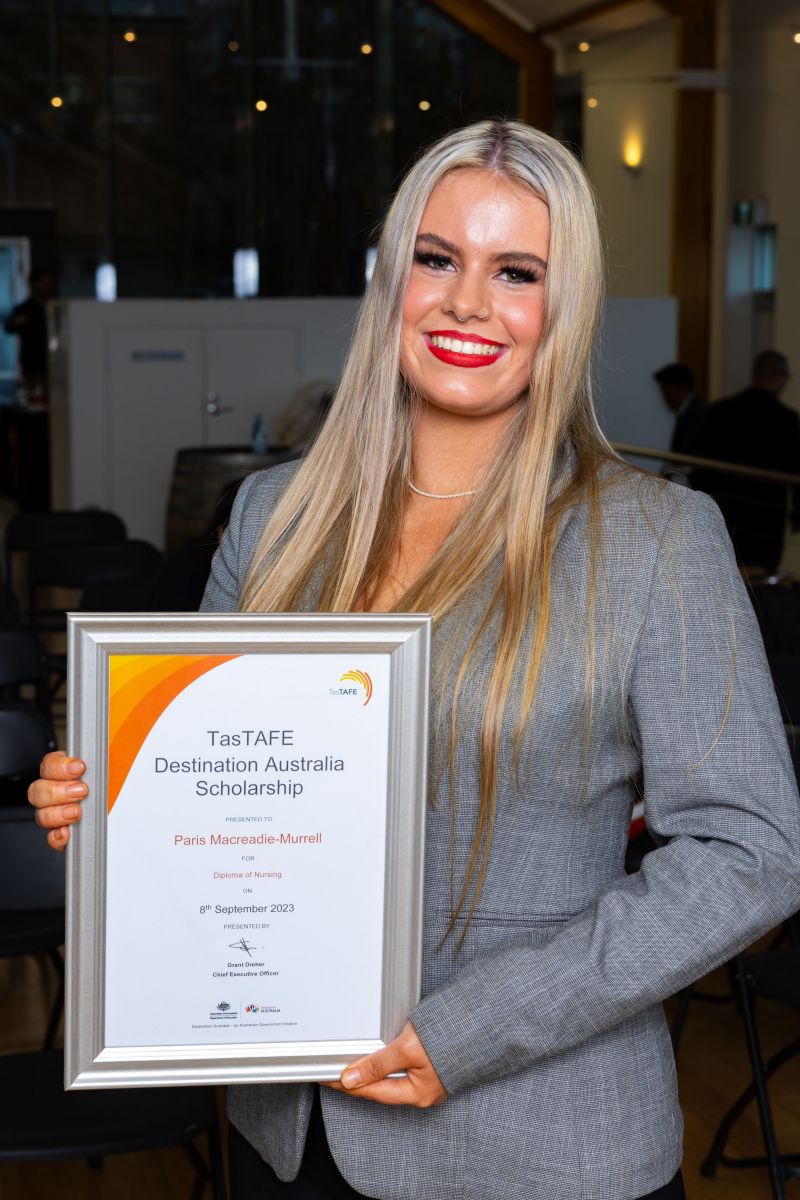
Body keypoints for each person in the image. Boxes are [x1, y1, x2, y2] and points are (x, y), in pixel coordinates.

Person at [29, 121, 800, 1200]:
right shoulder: (275, 515)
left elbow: (746, 852)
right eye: (435, 259)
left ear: (561, 306)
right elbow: (199, 784)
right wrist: (104, 802)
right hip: (282, 1132)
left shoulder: (655, 540)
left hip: (533, 1149)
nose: (466, 302)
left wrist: (469, 1031)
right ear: (392, 279)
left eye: (515, 271)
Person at [693, 350, 800, 574]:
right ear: (780, 376)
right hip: (766, 516)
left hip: (725, 511)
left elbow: (701, 465)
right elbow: (795, 470)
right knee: (761, 585)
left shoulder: (720, 411)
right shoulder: (786, 419)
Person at [3, 269, 55, 403]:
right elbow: (9, 327)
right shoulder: (25, 309)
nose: (47, 287)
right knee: (34, 403)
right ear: (33, 285)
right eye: (43, 283)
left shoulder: (53, 308)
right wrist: (18, 322)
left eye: (49, 284)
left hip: (54, 365)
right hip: (32, 368)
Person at [652, 362, 706, 459]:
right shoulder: (688, 411)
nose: (664, 398)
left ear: (682, 388)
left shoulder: (697, 413)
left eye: (666, 392)